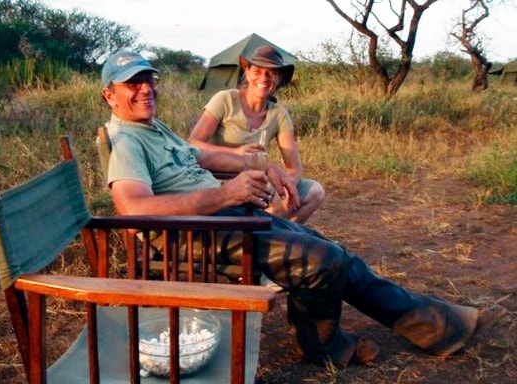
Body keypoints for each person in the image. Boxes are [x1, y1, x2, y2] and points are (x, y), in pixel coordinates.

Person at [99, 50, 506, 368]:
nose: (145, 90)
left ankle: (437, 326)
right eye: (132, 84)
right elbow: (133, 208)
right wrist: (225, 196)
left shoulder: (153, 128)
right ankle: (323, 349)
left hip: (224, 219)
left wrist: (265, 167)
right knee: (322, 262)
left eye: (149, 80)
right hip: (193, 235)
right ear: (109, 94)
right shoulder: (126, 140)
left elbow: (202, 159)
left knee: (333, 252)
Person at [189, 45, 324, 223]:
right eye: (258, 71)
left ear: (278, 77)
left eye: (271, 73)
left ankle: (275, 240)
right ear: (247, 71)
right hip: (219, 180)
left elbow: (294, 167)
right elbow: (193, 143)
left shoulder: (278, 113)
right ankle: (261, 239)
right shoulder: (226, 99)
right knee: (268, 207)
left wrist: (282, 189)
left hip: (258, 182)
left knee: (315, 191)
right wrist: (237, 153)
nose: (264, 78)